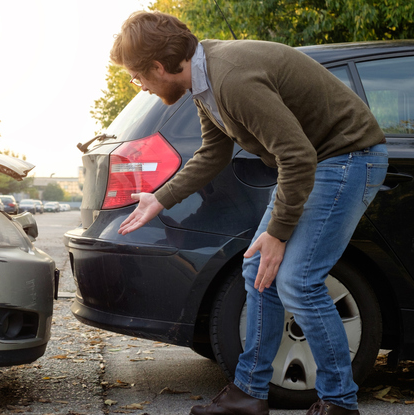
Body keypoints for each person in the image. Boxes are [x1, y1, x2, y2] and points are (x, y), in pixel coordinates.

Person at [111, 11, 388, 415]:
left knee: (298, 282)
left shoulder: (231, 77)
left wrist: (278, 234)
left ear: (158, 66)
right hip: (315, 163)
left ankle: (339, 403)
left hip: (345, 158)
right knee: (258, 270)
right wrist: (161, 198)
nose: (142, 87)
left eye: (138, 77)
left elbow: (296, 154)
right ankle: (248, 394)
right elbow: (213, 152)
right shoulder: (205, 83)